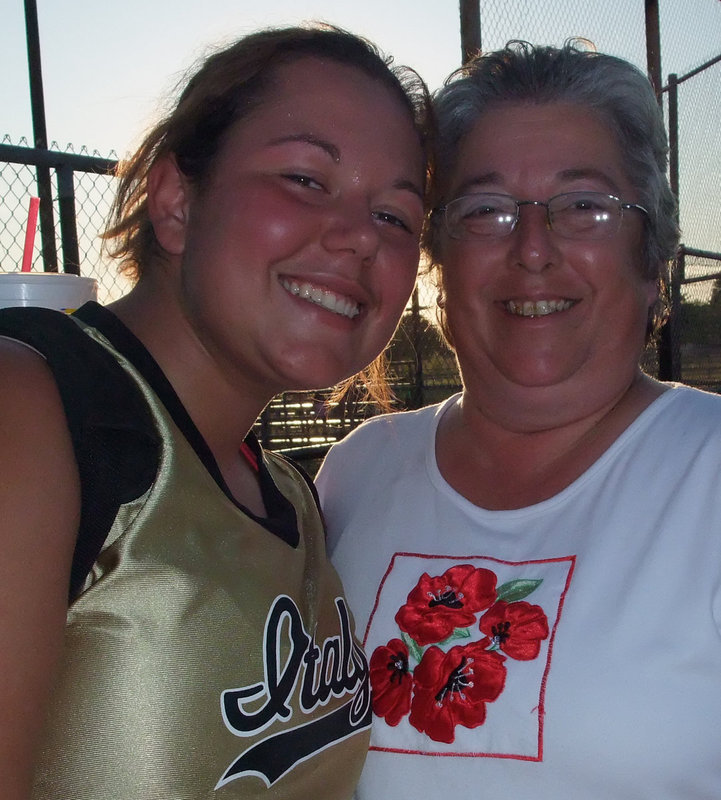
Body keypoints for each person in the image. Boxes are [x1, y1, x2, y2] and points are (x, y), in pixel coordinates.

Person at [0, 23, 431, 800]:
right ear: (175, 200)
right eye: (304, 178)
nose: (357, 238)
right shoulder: (32, 408)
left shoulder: (291, 498)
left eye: (395, 217)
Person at [316, 40, 721, 798]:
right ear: (439, 262)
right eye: (486, 210)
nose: (532, 248)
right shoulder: (358, 471)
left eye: (583, 207)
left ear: (651, 256)